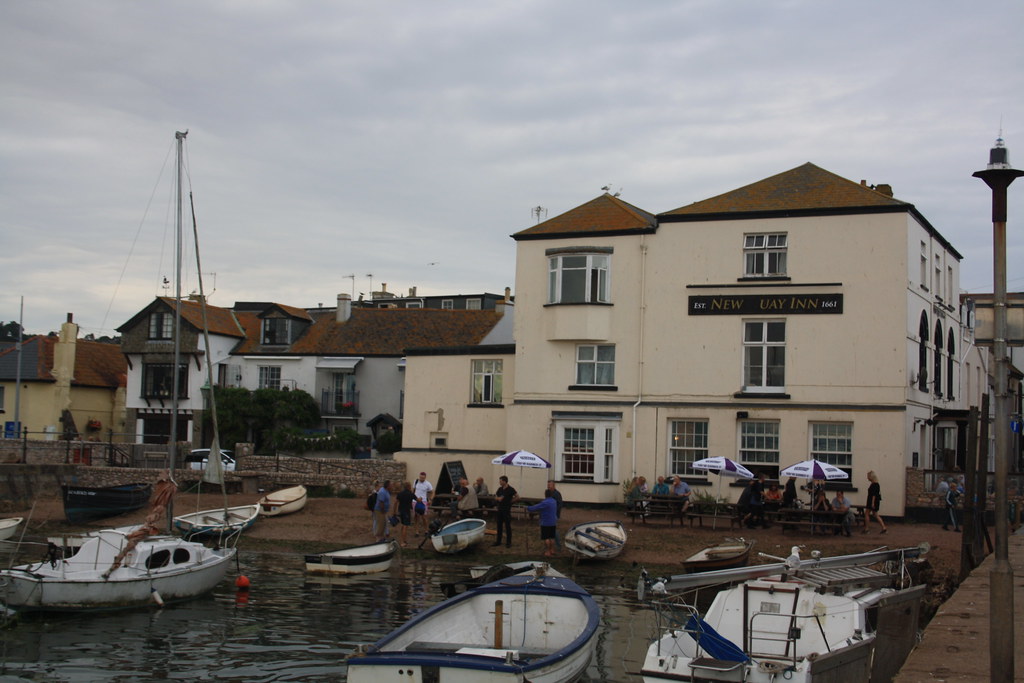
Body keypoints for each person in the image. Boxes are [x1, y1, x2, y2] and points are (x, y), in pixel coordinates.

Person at [527, 489, 559, 557]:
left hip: (546, 523)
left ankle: (547, 551)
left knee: (546, 537)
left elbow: (535, 507)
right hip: (553, 522)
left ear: (545, 495)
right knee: (552, 537)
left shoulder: (545, 502)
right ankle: (552, 550)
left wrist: (528, 507)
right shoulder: (554, 501)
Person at [493, 475, 519, 547]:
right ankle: (498, 541)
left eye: (500, 481)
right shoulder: (500, 489)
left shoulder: (510, 489)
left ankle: (508, 542)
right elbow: (496, 496)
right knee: (499, 526)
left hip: (506, 510)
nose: (499, 482)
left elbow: (517, 497)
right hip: (500, 509)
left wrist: (511, 502)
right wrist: (498, 499)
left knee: (507, 526)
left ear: (504, 481)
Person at [394, 481, 416, 546]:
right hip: (406, 511)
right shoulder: (411, 494)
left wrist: (394, 512)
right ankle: (402, 542)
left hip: (400, 511)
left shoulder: (400, 494)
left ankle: (403, 539)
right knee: (405, 526)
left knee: (403, 525)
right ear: (409, 487)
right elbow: (418, 500)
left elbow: (396, 502)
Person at [546, 480, 564, 548]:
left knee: (554, 530)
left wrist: (554, 512)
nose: (548, 487)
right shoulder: (549, 493)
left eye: (549, 485)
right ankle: (552, 544)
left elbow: (560, 504)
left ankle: (558, 545)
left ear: (553, 486)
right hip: (550, 515)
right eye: (548, 485)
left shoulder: (556, 494)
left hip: (554, 515)